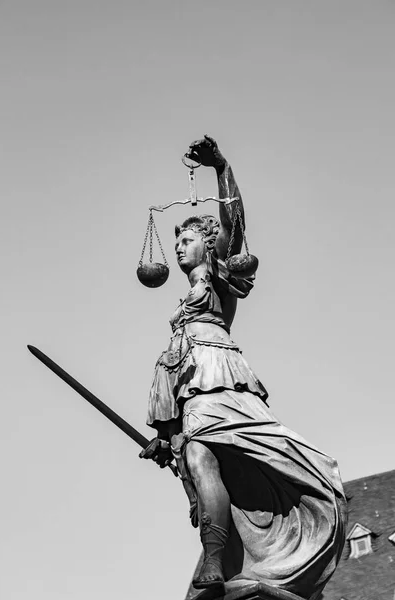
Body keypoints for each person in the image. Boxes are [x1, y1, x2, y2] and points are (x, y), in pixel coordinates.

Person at [140, 136, 347, 600]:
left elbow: (235, 222)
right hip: (190, 392)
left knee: (213, 456)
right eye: (175, 240)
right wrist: (165, 433)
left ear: (207, 245)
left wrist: (221, 167)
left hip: (224, 381)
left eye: (187, 238)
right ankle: (214, 559)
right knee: (196, 457)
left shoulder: (219, 276)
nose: (177, 247)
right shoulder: (180, 310)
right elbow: (172, 373)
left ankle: (233, 550)